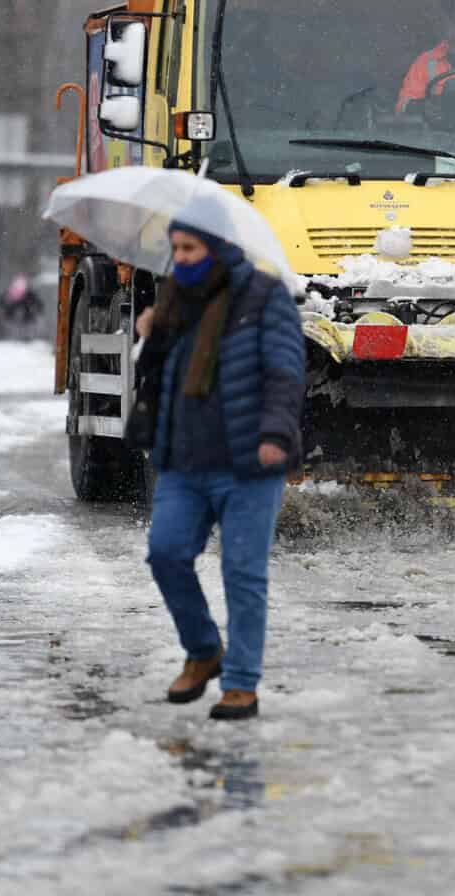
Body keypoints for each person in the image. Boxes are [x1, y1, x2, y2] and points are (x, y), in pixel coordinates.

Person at [134, 218, 304, 721]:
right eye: (176, 248)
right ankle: (204, 649)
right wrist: (152, 333)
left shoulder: (263, 295)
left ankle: (241, 684)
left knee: (243, 572)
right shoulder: (172, 297)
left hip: (248, 461)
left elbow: (284, 369)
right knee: (165, 553)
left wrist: (275, 435)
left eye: (190, 247)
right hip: (184, 461)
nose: (181, 257)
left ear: (219, 246)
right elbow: (157, 377)